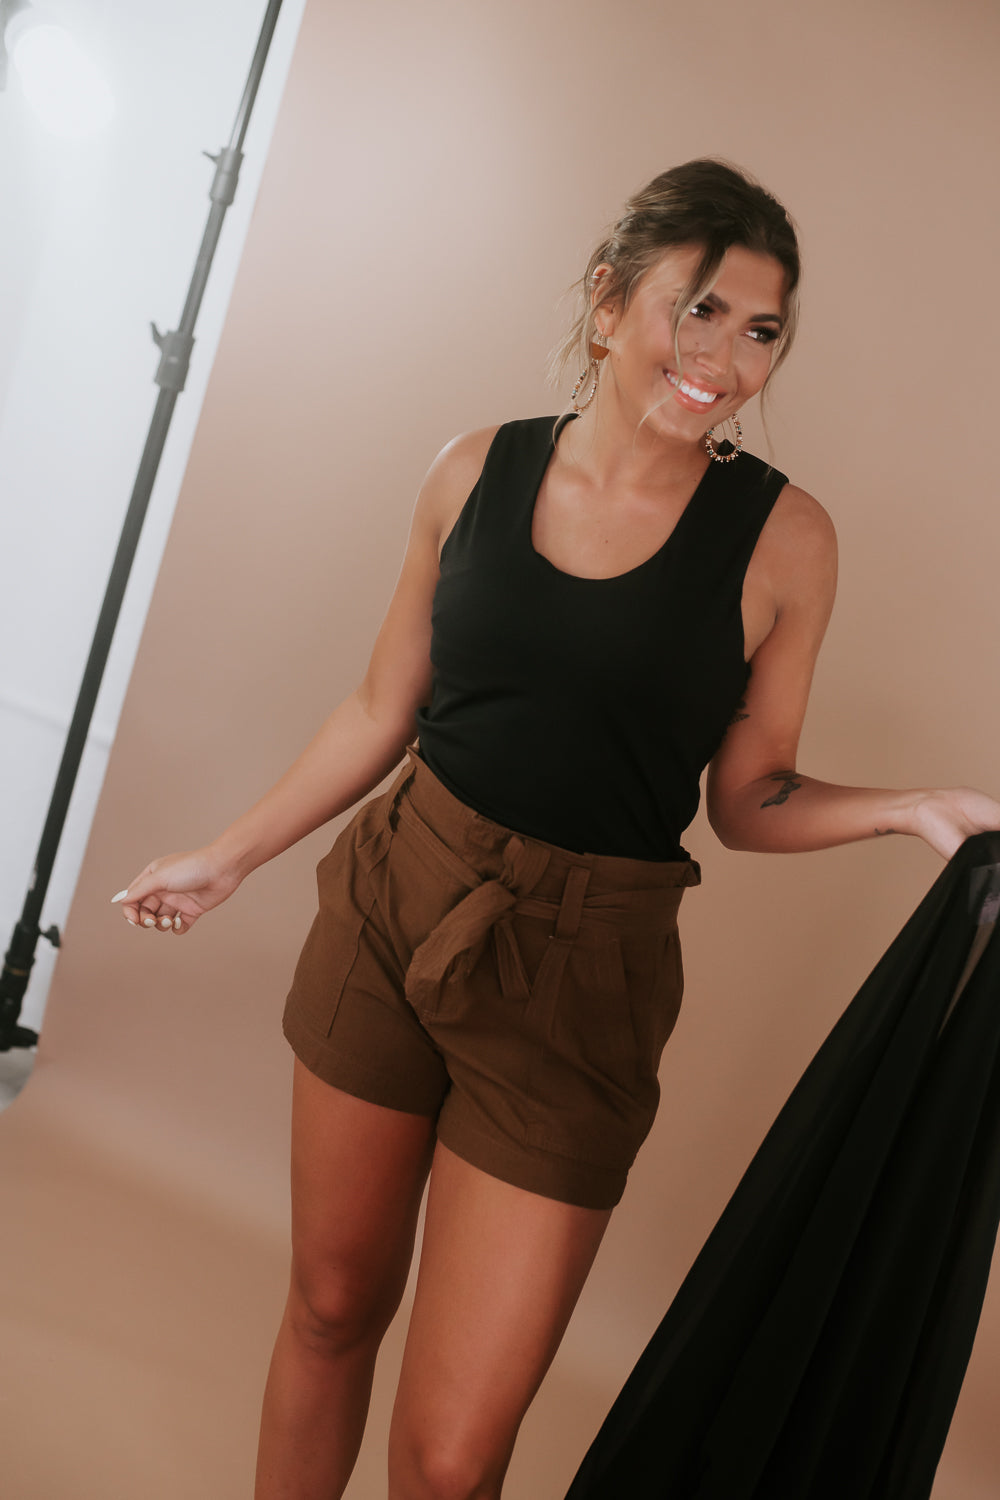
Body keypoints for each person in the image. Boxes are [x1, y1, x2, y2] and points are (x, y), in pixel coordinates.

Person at [112, 159, 1000, 1500]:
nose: (727, 359)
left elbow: (749, 798)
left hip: (584, 976)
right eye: (699, 310)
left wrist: (912, 808)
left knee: (452, 1456)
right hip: (394, 906)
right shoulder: (473, 470)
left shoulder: (784, 541)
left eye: (762, 330)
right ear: (607, 301)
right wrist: (226, 857)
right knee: (332, 1308)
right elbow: (383, 709)